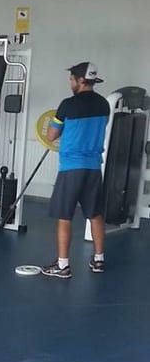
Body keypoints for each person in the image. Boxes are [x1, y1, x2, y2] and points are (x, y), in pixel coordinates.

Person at [41, 62, 110, 279]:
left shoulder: (67, 105)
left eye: (71, 79)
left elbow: (51, 135)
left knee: (64, 216)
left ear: (81, 80)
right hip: (93, 167)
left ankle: (63, 266)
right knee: (95, 214)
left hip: (71, 167)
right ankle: (99, 260)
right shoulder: (104, 105)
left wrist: (61, 126)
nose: (70, 83)